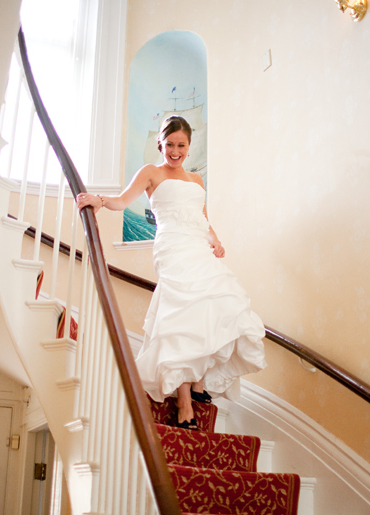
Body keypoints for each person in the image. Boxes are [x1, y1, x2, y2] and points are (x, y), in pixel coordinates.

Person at [76, 115, 266, 430]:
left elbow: (201, 218)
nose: (175, 151)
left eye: (181, 145)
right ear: (160, 144)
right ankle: (184, 402)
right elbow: (124, 200)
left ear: (189, 147)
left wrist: (215, 241)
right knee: (180, 313)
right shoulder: (151, 172)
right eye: (170, 145)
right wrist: (98, 200)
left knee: (211, 307)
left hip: (197, 246)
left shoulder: (197, 180)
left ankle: (198, 384)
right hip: (172, 247)